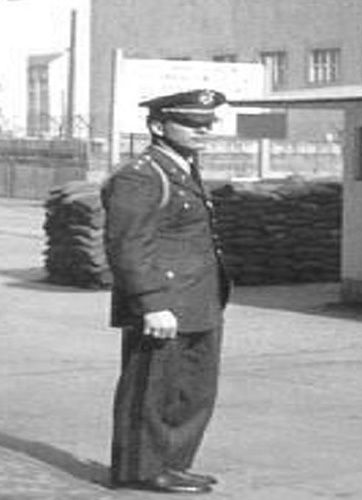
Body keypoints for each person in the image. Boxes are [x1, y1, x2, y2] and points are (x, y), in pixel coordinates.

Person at [102, 89, 232, 495]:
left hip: (198, 299)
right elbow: (127, 245)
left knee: (193, 390)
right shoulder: (141, 175)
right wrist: (152, 304)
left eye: (208, 123)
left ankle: (173, 463)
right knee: (151, 391)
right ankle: (141, 469)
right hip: (165, 303)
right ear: (159, 126)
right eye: (192, 123)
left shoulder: (182, 166)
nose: (205, 130)